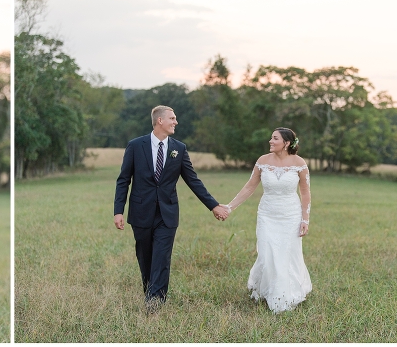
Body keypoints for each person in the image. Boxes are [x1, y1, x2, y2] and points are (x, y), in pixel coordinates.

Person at [113, 105, 229, 314]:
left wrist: (213, 205)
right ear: (160, 121)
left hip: (167, 214)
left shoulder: (179, 148)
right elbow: (123, 180)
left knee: (162, 257)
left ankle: (155, 302)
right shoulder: (135, 145)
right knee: (145, 257)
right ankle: (150, 291)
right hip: (141, 212)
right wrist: (118, 210)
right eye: (172, 118)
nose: (176, 122)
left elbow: (193, 180)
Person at [225, 127, 312, 313]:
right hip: (267, 214)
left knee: (286, 254)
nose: (270, 141)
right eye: (271, 138)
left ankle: (284, 294)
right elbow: (249, 187)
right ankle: (266, 289)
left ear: (286, 143)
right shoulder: (262, 161)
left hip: (290, 215)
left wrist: (305, 220)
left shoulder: (299, 163)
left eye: (275, 138)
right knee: (266, 253)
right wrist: (230, 207)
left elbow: (305, 192)